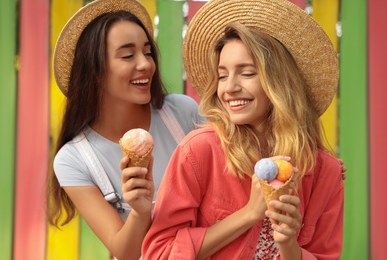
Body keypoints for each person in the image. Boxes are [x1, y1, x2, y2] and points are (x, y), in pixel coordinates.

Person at [142, 0, 343, 259]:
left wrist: (288, 244)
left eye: (246, 73)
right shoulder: (199, 151)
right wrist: (249, 214)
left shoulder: (325, 172)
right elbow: (159, 253)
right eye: (223, 75)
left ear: (280, 81)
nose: (229, 88)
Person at [47, 0, 203, 259]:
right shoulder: (74, 159)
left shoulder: (182, 113)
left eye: (148, 52)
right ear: (95, 71)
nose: (145, 64)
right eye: (128, 55)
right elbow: (126, 252)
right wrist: (140, 211)